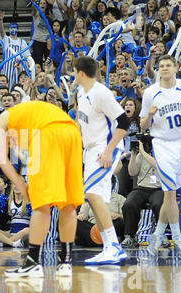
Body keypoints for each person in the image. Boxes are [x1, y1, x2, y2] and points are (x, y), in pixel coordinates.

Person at [0, 100, 84, 278]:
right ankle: (65, 262)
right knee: (68, 204)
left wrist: (20, 184)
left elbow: (1, 157)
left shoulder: (1, 122)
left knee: (40, 205)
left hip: (47, 133)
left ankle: (33, 263)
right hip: (72, 132)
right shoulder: (27, 117)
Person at [140, 54, 181, 259]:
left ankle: (158, 236)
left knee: (175, 195)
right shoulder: (151, 92)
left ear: (176, 67)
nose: (165, 68)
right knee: (170, 193)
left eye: (169, 65)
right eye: (161, 66)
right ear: (158, 69)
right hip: (163, 144)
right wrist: (149, 115)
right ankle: (178, 240)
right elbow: (143, 126)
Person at [74, 56, 130, 265]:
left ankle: (113, 246)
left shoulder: (101, 93)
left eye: (74, 72)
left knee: (93, 193)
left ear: (80, 73)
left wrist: (109, 151)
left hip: (105, 149)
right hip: (89, 150)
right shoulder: (81, 92)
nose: (73, 76)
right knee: (93, 197)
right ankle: (109, 246)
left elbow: (124, 122)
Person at [120, 139, 164, 248]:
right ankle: (130, 236)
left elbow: (157, 165)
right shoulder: (140, 155)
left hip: (158, 188)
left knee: (158, 204)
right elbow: (132, 172)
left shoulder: (163, 153)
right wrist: (134, 155)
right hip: (141, 188)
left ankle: (161, 236)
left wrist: (143, 151)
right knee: (129, 204)